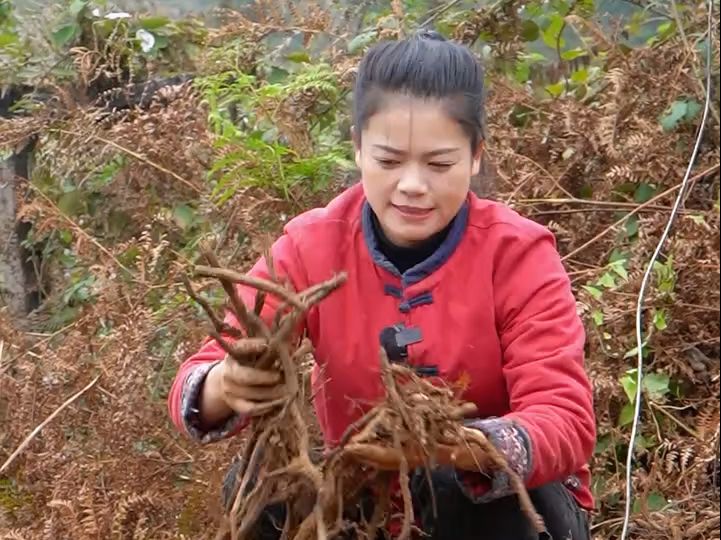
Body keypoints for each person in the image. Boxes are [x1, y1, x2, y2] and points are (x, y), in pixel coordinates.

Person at [168, 30, 596, 540]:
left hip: (503, 512)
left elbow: (566, 422)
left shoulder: (517, 254)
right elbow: (193, 384)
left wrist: (451, 447)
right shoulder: (312, 246)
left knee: (469, 492)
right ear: (357, 148)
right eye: (389, 160)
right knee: (262, 484)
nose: (412, 185)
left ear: (476, 155)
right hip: (364, 498)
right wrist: (225, 383)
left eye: (439, 164)